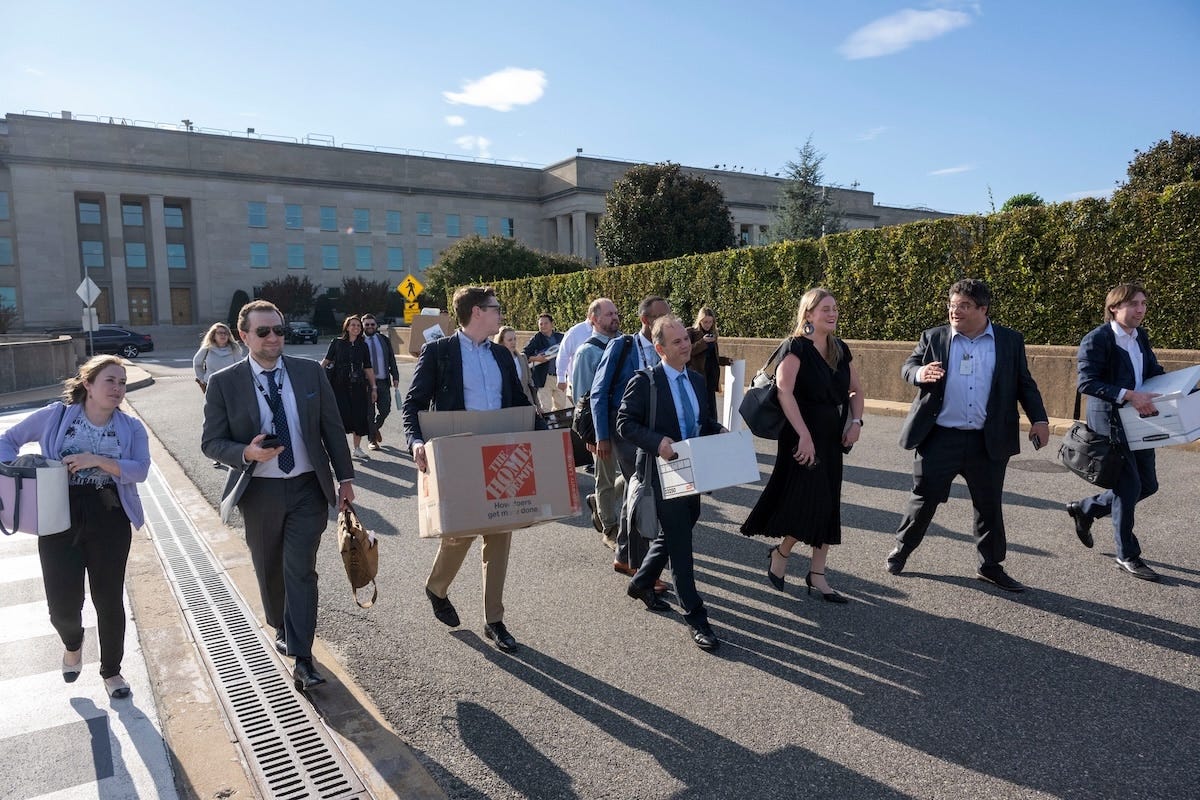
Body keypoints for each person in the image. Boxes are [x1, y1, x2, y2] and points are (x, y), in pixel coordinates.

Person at [201, 300, 356, 691]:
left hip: (307, 487)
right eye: (263, 331)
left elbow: (332, 428)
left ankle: (303, 658)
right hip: (260, 492)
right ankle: (281, 625)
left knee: (300, 569)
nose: (273, 338)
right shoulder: (224, 382)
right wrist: (246, 452)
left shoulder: (308, 371)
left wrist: (346, 479)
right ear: (244, 336)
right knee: (270, 568)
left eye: (279, 330)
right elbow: (211, 442)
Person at [402, 286, 546, 653]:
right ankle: (436, 587)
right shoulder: (439, 352)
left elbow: (518, 400)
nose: (501, 314)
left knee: (499, 534)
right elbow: (414, 403)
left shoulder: (501, 354)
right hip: (460, 454)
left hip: (501, 453)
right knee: (460, 533)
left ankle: (494, 620)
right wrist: (416, 442)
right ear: (477, 312)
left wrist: (547, 438)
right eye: (496, 308)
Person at [0, 355, 150, 699]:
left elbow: (140, 469)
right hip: (57, 514)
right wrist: (16, 471)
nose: (118, 388)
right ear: (88, 384)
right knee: (62, 606)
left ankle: (112, 671)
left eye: (122, 382)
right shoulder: (55, 416)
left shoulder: (131, 427)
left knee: (109, 598)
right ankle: (73, 642)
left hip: (109, 514)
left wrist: (97, 460)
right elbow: (7, 441)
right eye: (110, 381)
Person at [886, 278, 1049, 592]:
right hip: (940, 437)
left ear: (983, 309)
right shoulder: (934, 337)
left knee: (989, 505)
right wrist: (919, 373)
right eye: (952, 304)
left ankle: (990, 566)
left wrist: (1039, 420)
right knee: (924, 498)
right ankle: (902, 549)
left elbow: (1024, 383)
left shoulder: (1009, 340)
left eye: (963, 305)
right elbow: (909, 366)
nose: (954, 311)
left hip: (987, 439)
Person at [740, 289, 864, 602]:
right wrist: (804, 436)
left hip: (831, 438)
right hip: (800, 436)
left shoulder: (839, 348)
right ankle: (781, 552)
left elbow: (856, 390)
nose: (832, 314)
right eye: (825, 309)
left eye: (835, 308)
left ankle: (817, 573)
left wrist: (856, 422)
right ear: (808, 314)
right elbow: (784, 392)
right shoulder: (795, 347)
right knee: (807, 502)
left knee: (828, 503)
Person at [618, 315, 725, 651]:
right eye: (677, 342)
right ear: (660, 348)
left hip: (692, 470)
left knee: (685, 523)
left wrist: (718, 431)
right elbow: (625, 423)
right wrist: (657, 442)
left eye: (686, 339)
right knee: (681, 545)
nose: (685, 345)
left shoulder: (696, 380)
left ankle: (642, 581)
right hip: (662, 474)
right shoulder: (645, 381)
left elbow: (702, 422)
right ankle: (696, 617)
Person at [1067, 283, 1165, 581]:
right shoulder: (1097, 339)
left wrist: (1179, 388)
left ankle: (1086, 508)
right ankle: (1127, 555)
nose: (1141, 309)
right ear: (1114, 308)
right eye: (1134, 304)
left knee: (1147, 485)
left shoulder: (1140, 336)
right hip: (1110, 424)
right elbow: (1086, 382)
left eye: (1143, 303)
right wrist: (1129, 395)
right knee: (1129, 487)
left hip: (1140, 421)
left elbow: (1151, 371)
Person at [591, 296, 670, 579]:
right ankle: (640, 564)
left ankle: (625, 557)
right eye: (660, 317)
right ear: (645, 320)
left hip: (652, 431)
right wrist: (601, 436)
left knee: (634, 490)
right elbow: (598, 392)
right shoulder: (621, 346)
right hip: (624, 429)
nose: (667, 321)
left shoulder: (666, 349)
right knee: (643, 489)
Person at [568, 298, 623, 549]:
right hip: (601, 427)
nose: (615, 316)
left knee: (637, 473)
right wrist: (590, 435)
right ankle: (609, 528)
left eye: (616, 312)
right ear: (594, 318)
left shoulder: (624, 344)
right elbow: (582, 398)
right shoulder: (587, 352)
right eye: (609, 313)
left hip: (627, 423)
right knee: (605, 477)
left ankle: (599, 503)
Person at [320, 315, 376, 459]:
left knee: (359, 416)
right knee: (339, 417)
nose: (356, 328)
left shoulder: (363, 345)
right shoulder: (337, 343)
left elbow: (368, 367)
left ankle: (357, 448)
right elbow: (326, 361)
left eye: (358, 325)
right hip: (339, 385)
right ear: (347, 327)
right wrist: (316, 377)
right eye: (353, 325)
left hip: (358, 385)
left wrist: (374, 387)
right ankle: (337, 448)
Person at [194, 322, 245, 466]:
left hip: (232, 388)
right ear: (213, 335)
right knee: (215, 420)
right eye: (220, 333)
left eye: (225, 333)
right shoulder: (207, 349)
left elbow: (241, 367)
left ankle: (233, 451)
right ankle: (217, 454)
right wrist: (202, 378)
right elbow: (197, 363)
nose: (223, 335)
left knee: (233, 419)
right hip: (213, 388)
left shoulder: (234, 349)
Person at [361, 314, 399, 451]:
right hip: (366, 383)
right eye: (367, 324)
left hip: (383, 381)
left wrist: (395, 376)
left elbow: (391, 358)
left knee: (385, 409)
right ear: (363, 326)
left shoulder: (383, 340)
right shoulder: (359, 341)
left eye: (372, 324)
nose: (370, 327)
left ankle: (375, 429)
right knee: (369, 413)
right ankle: (372, 440)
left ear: (376, 325)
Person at [687, 307, 732, 418]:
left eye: (710, 322)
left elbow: (712, 357)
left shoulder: (713, 334)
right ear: (700, 321)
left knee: (711, 407)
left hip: (711, 375)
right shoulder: (691, 332)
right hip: (697, 374)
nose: (708, 325)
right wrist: (703, 341)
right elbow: (688, 351)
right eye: (705, 322)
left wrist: (726, 361)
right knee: (699, 406)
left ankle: (713, 427)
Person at [523, 313, 567, 411]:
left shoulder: (561, 337)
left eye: (545, 323)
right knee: (545, 408)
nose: (543, 326)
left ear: (552, 324)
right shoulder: (536, 339)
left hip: (560, 376)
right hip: (544, 378)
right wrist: (536, 358)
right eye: (541, 324)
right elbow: (524, 355)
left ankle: (559, 422)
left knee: (561, 407)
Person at [494, 325, 540, 409]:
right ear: (501, 342)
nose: (513, 342)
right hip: (506, 406)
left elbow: (530, 383)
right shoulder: (496, 361)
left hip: (526, 404)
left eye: (515, 339)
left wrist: (537, 405)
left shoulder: (522, 358)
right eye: (510, 340)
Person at [557, 317, 594, 399]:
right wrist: (561, 378)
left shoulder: (609, 332)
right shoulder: (576, 331)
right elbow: (563, 354)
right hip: (578, 385)